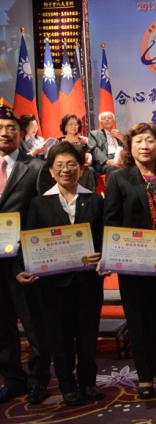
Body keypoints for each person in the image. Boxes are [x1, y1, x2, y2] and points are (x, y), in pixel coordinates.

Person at [15, 142, 104, 406]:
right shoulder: (38, 204)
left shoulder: (94, 200)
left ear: (81, 168)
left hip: (88, 283)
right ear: (51, 171)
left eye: (72, 164)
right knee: (60, 338)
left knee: (88, 337)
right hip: (52, 286)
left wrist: (102, 255)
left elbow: (103, 237)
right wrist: (23, 268)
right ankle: (68, 387)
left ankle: (88, 383)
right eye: (60, 166)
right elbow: (28, 241)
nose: (66, 170)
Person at [104, 122, 156, 399]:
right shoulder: (118, 178)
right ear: (130, 147)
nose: (145, 147)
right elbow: (111, 220)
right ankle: (145, 375)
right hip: (132, 262)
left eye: (150, 141)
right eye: (138, 142)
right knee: (137, 318)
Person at [0, 99, 50, 405]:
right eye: (0, 128)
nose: (5, 133)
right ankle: (13, 379)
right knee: (2, 324)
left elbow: (46, 213)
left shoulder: (36, 168)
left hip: (23, 259)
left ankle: (38, 378)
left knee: (34, 323)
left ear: (21, 133)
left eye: (10, 128)